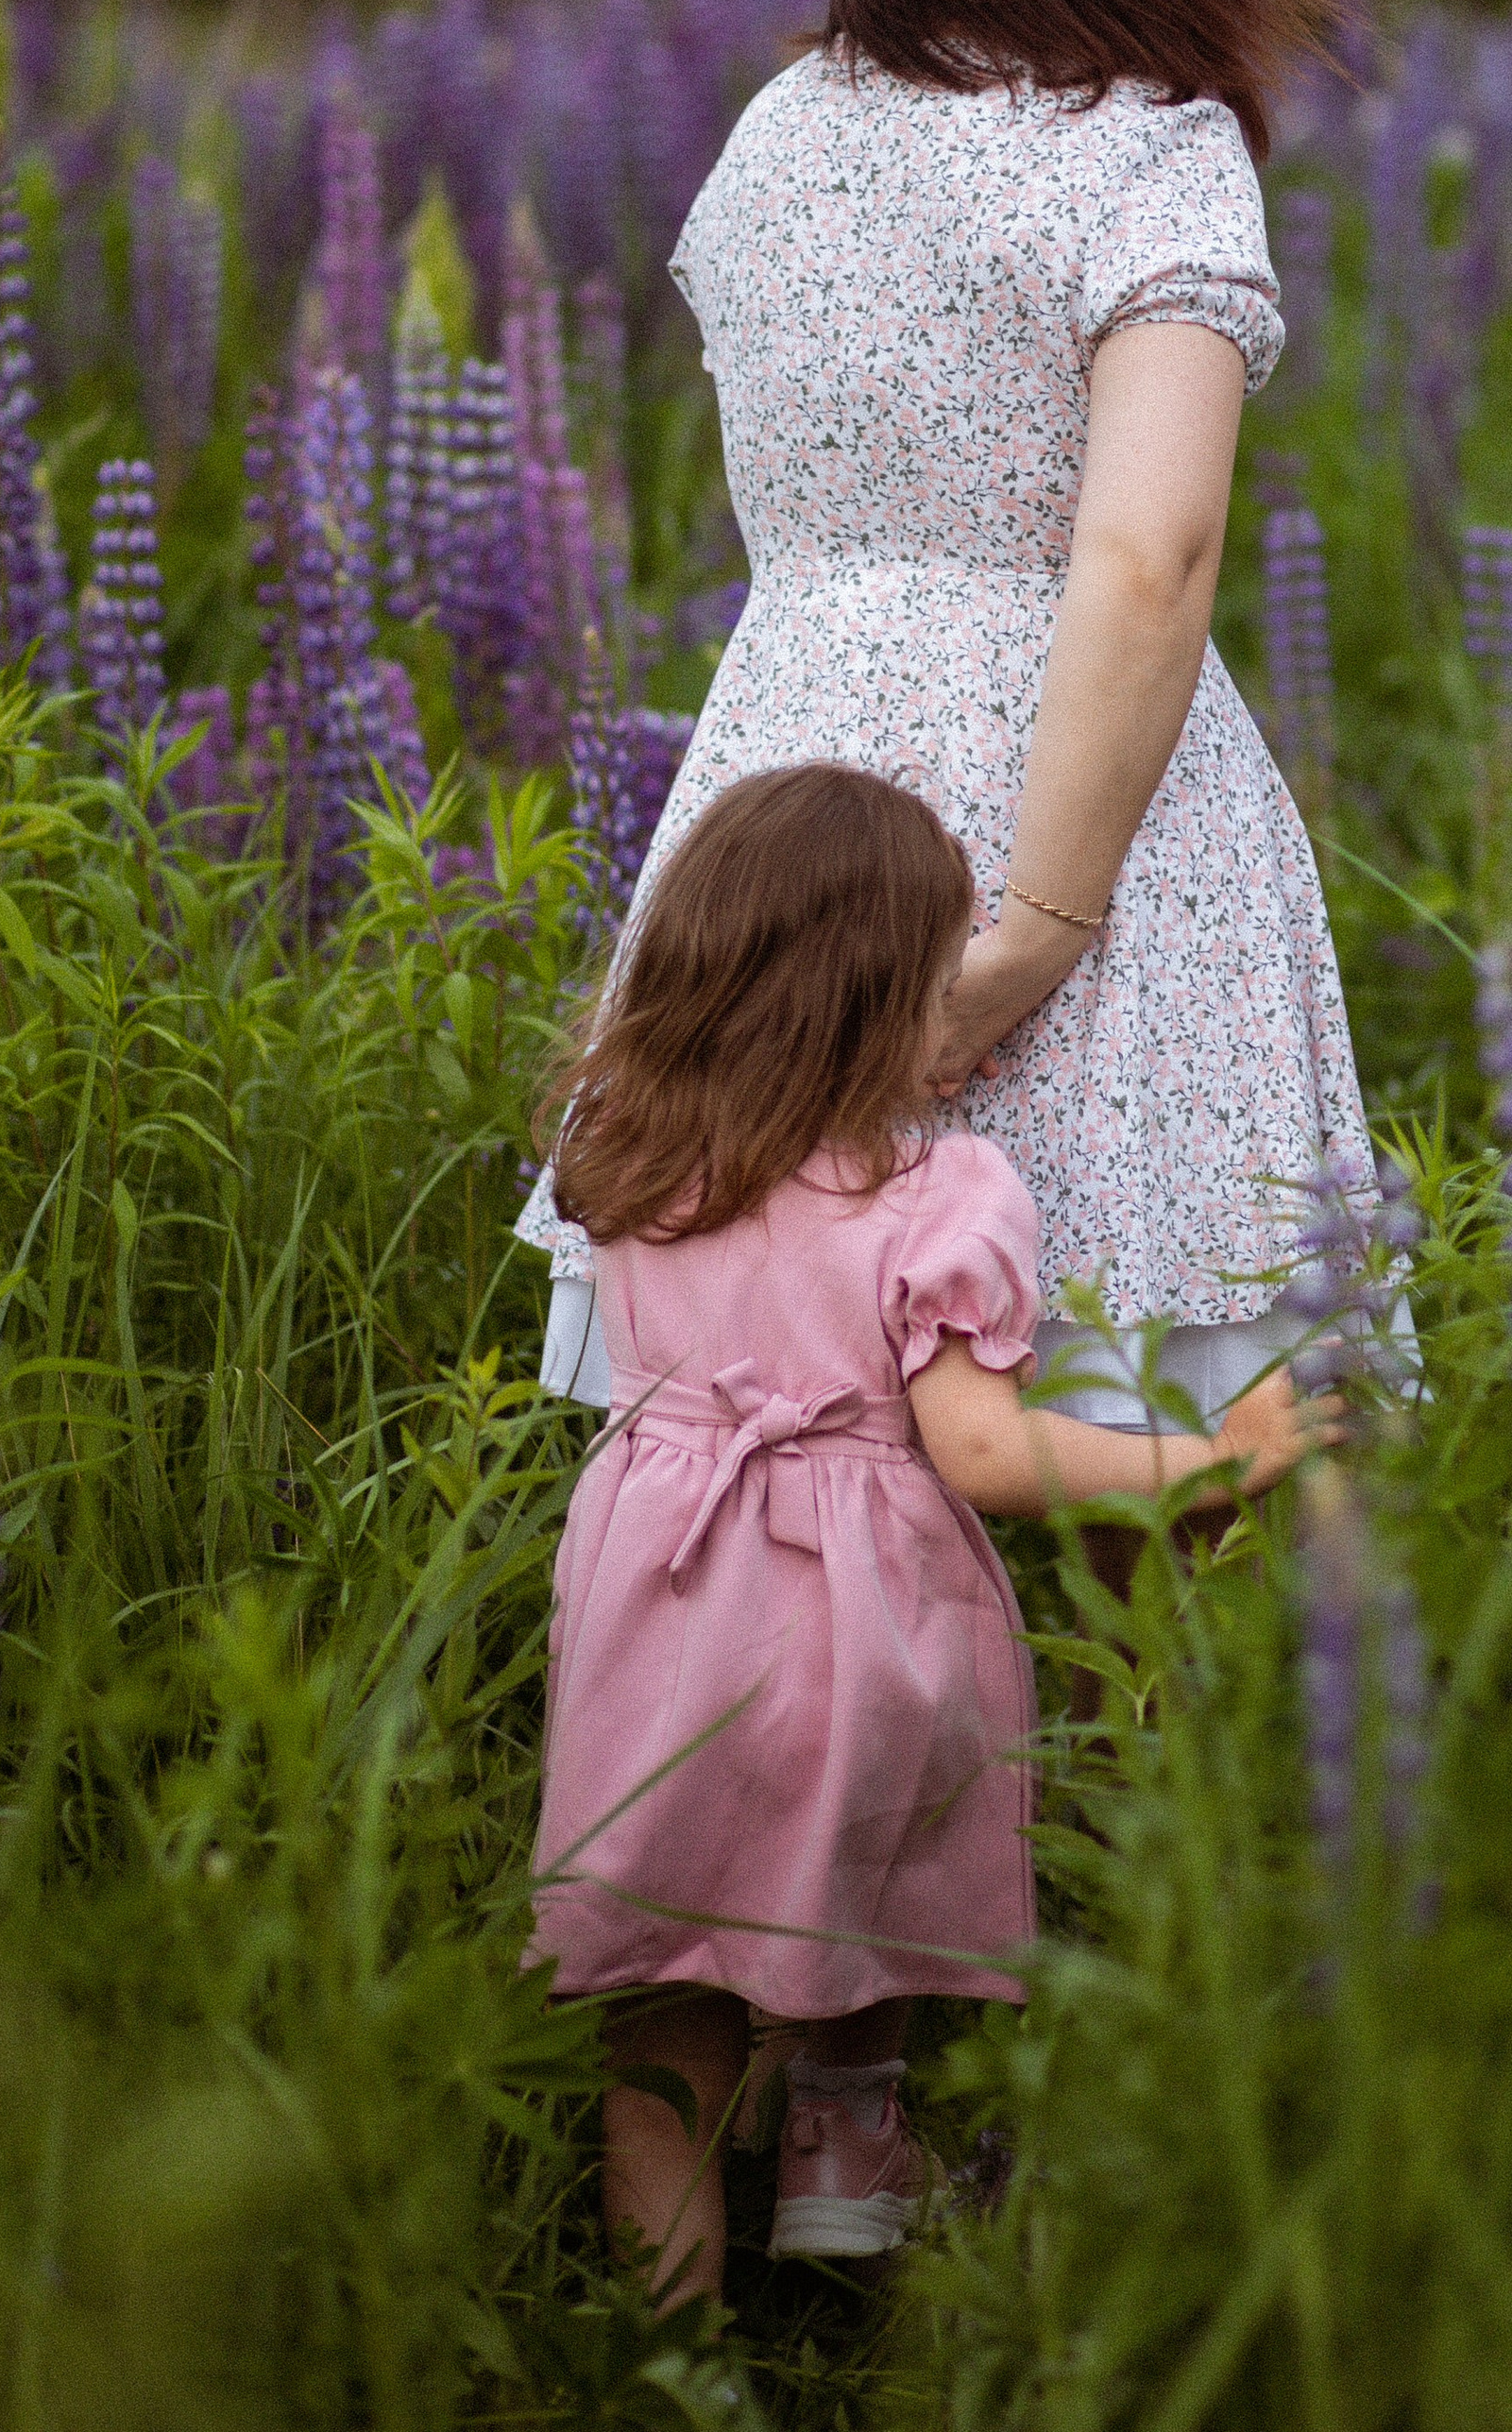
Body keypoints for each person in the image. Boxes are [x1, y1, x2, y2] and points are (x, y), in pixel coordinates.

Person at [518, 0, 1377, 1454]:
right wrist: (1039, 929)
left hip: (787, 778)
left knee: (773, 1407)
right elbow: (1146, 558)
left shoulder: (780, 134)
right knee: (1136, 1398)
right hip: (1066, 792)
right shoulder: (1148, 147)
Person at [530, 758, 1333, 2304]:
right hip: (853, 1616)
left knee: (663, 2012)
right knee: (862, 1884)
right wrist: (1215, 1459)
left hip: (656, 1608)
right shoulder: (940, 1194)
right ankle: (842, 2150)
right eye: (939, 978)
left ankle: (670, 2347)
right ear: (866, 1004)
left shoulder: (623, 1142)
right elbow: (985, 1450)